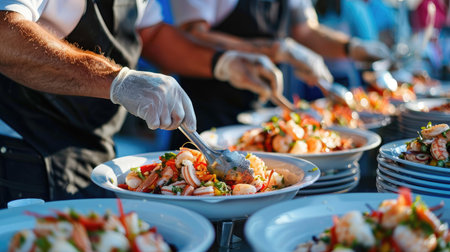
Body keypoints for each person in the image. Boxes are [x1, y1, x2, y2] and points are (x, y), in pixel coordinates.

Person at [0, 0, 283, 207]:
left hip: (95, 150)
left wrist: (223, 63)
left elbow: (153, 34)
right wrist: (117, 80)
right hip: (23, 151)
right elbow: (6, 33)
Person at [168, 0, 391, 148]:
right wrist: (277, 49)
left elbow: (305, 29)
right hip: (209, 109)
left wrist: (351, 48)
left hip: (268, 109)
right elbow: (192, 35)